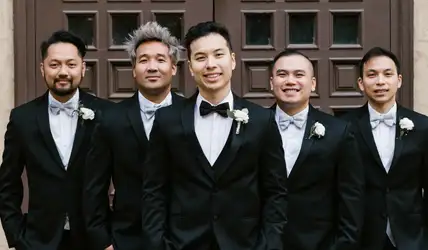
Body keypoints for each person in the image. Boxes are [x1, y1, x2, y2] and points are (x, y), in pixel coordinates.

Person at [141, 21, 287, 250]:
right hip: (182, 243)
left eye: (218, 55)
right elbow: (154, 191)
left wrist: (269, 244)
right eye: (200, 58)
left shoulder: (262, 120)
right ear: (190, 67)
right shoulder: (167, 120)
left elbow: (275, 191)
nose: (210, 65)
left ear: (233, 60)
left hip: (244, 244)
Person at [0, 30, 112, 250]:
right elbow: (7, 183)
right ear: (43, 69)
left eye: (71, 64)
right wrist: (17, 236)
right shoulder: (23, 118)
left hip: (96, 240)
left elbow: (125, 178)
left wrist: (113, 237)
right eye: (54, 65)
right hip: (39, 240)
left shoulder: (106, 114)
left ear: (83, 68)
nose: (63, 72)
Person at [82, 21, 185, 250]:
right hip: (126, 239)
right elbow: (94, 188)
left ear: (174, 67)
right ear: (133, 69)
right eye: (143, 60)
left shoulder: (192, 115)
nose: (152, 67)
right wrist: (104, 242)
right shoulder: (110, 119)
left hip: (184, 239)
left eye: (160, 59)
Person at [270, 49, 364, 250]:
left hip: (319, 243)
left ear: (313, 84)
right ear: (271, 83)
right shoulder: (255, 125)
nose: (290, 81)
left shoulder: (339, 131)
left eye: (299, 74)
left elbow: (351, 197)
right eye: (282, 74)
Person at [342, 46, 428, 250]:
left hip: (412, 237)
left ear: (399, 80)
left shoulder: (423, 126)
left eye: (387, 74)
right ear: (361, 84)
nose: (380, 81)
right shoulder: (344, 127)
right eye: (372, 75)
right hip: (362, 236)